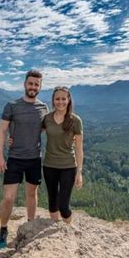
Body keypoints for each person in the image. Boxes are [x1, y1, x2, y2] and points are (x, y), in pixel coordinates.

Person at [0, 70, 49, 249]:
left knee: (32, 194)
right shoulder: (12, 106)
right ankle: (3, 230)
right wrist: (0, 156)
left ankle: (31, 225)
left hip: (34, 158)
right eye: (30, 83)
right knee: (9, 197)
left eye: (36, 84)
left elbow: (45, 129)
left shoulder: (43, 108)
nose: (33, 87)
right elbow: (2, 131)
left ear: (40, 87)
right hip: (15, 159)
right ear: (25, 84)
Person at [42, 86, 83, 223]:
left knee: (64, 206)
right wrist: (12, 138)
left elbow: (78, 148)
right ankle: (55, 228)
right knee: (52, 201)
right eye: (57, 99)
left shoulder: (75, 121)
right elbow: (32, 133)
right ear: (53, 101)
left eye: (63, 99)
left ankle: (67, 231)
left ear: (68, 100)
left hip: (68, 166)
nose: (60, 102)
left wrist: (79, 172)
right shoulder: (47, 118)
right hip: (49, 165)